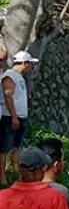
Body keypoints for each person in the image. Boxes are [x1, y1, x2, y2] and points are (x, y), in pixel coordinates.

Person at [0, 50, 38, 185]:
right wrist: (14, 117)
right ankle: (2, 176)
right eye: (29, 64)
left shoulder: (20, 77)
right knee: (4, 148)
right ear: (24, 63)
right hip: (10, 116)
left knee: (17, 146)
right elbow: (8, 95)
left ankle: (15, 171)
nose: (30, 68)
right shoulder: (10, 76)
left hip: (21, 116)